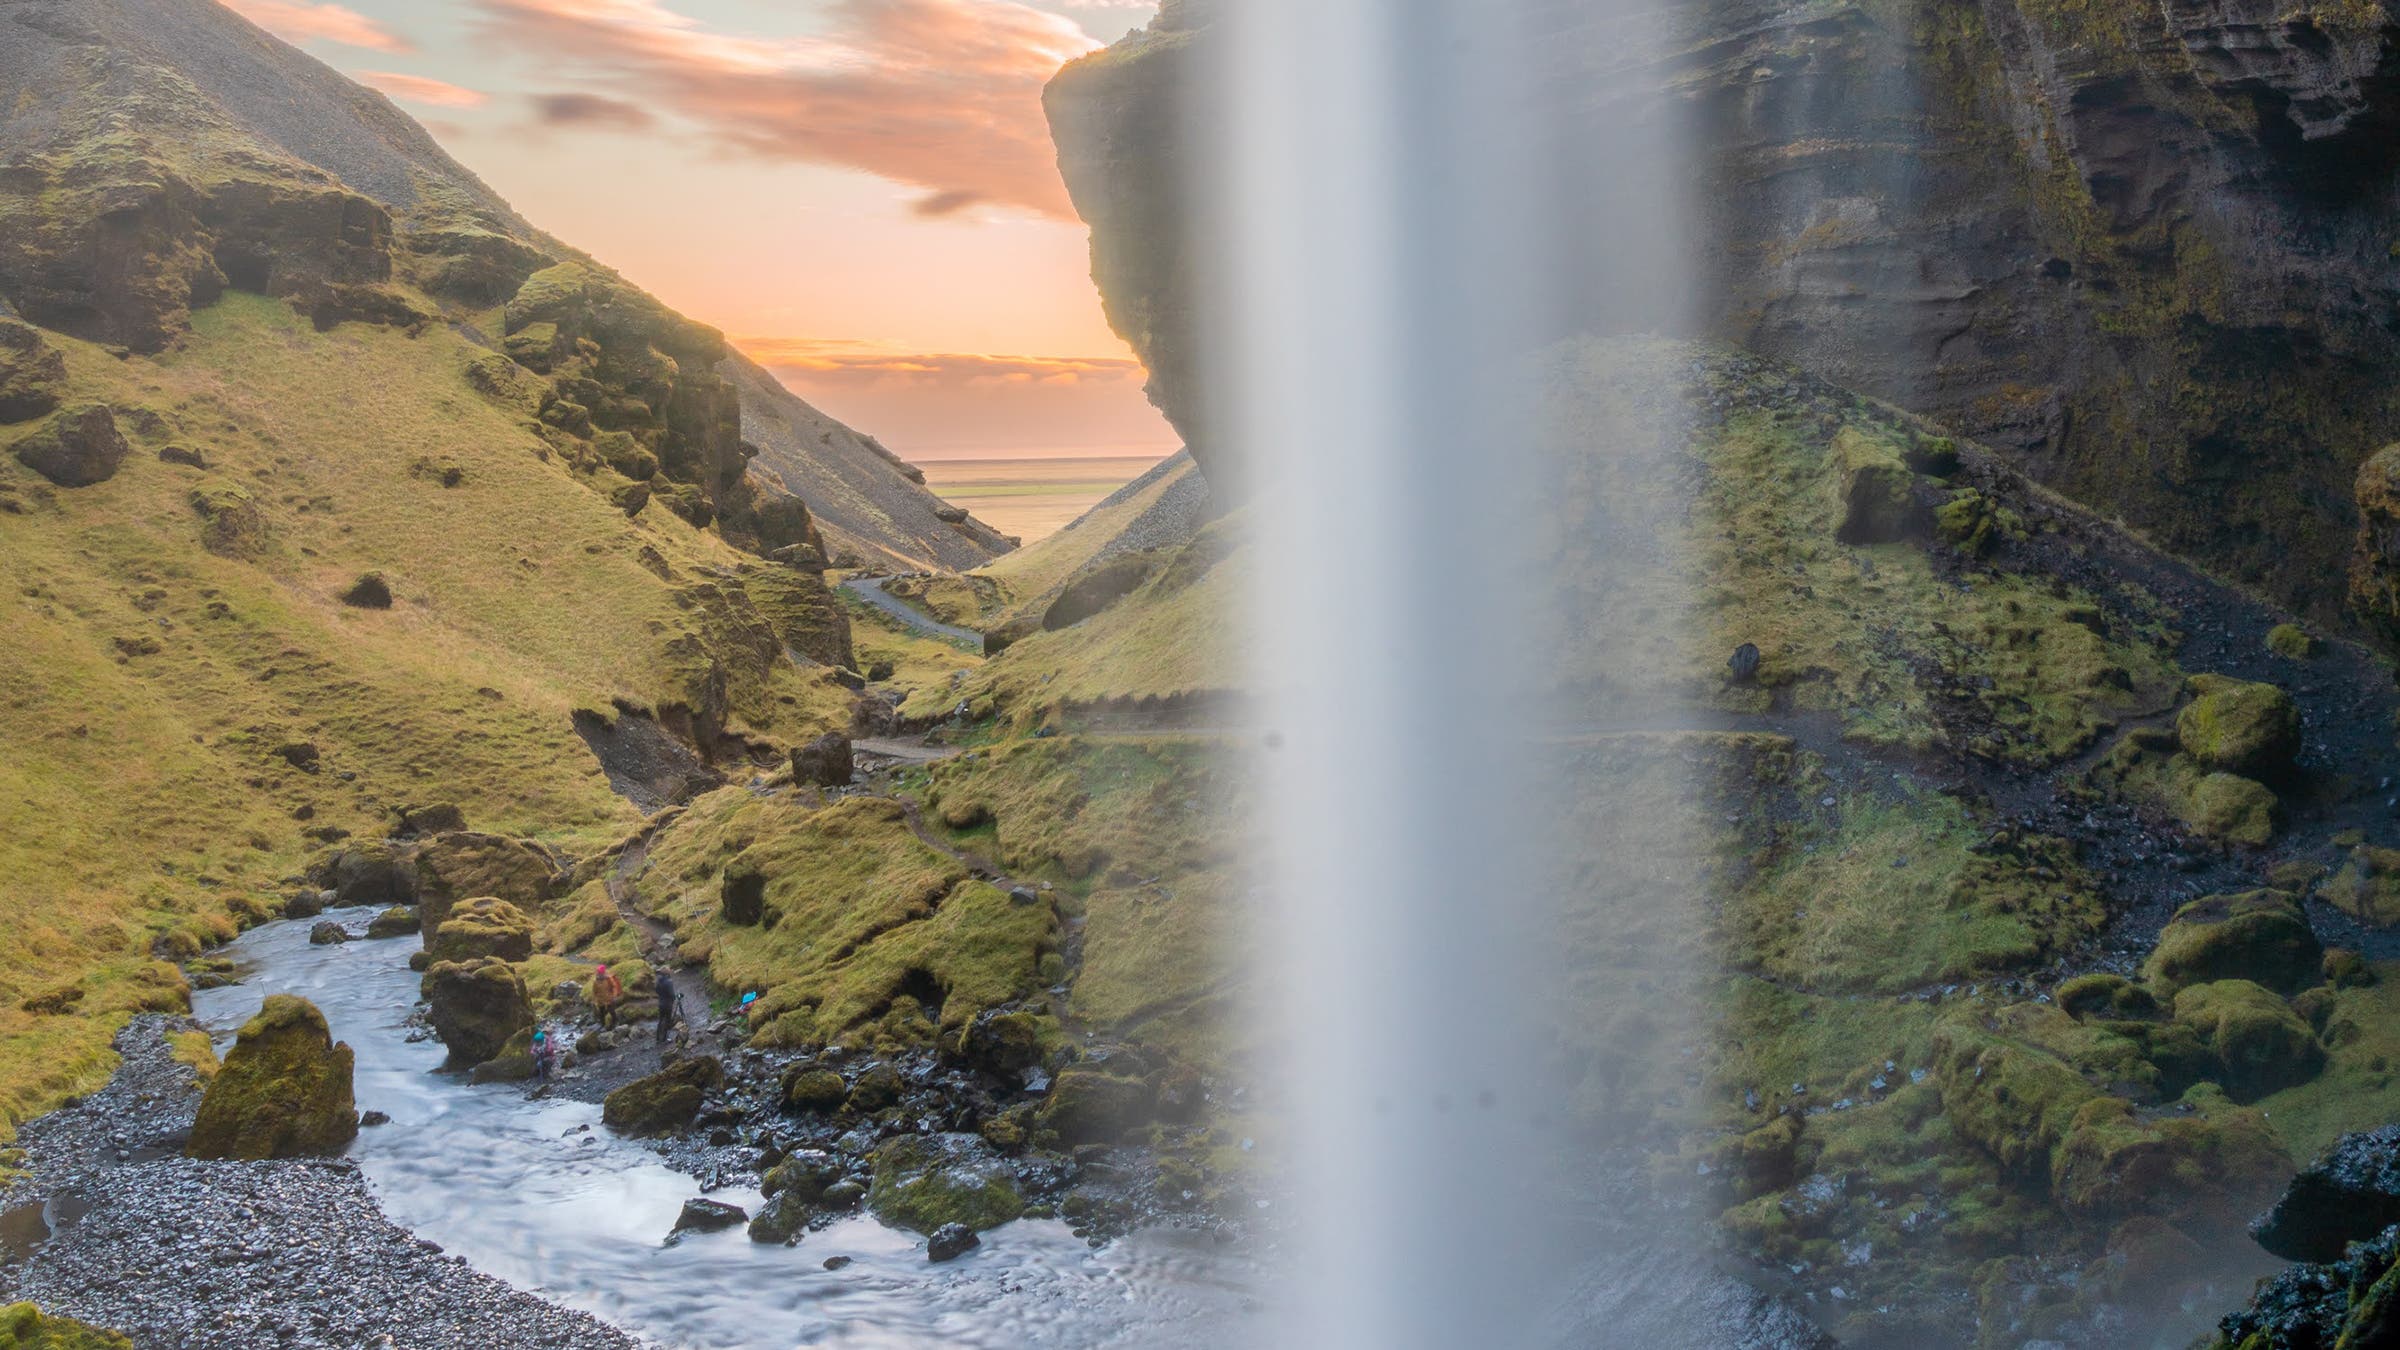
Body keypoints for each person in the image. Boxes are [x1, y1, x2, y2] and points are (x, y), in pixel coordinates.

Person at [592, 962, 623, 1029]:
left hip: (609, 998)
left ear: (603, 972)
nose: (599, 973)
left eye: (600, 972)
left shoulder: (608, 979)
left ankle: (615, 1023)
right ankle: (602, 1024)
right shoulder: (595, 981)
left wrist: (614, 996)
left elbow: (614, 987)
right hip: (600, 1000)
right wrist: (594, 1000)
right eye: (598, 972)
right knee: (601, 1013)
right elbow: (594, 991)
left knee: (611, 1011)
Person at [655, 968, 679, 1046]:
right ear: (667, 974)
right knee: (667, 1020)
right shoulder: (669, 982)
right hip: (668, 1004)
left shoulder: (658, 981)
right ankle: (665, 1038)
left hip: (660, 1003)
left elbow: (657, 991)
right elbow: (671, 994)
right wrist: (674, 998)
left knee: (661, 1020)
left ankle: (658, 1038)